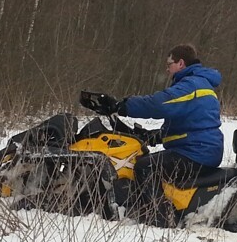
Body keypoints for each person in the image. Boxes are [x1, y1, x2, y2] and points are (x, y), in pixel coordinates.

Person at [93, 44, 223, 225]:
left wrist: (122, 106)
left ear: (181, 63)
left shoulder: (191, 85)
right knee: (150, 160)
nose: (167, 68)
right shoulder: (198, 82)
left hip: (197, 152)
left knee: (145, 166)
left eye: (169, 64)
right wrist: (154, 136)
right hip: (200, 147)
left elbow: (159, 104)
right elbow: (191, 123)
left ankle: (160, 218)